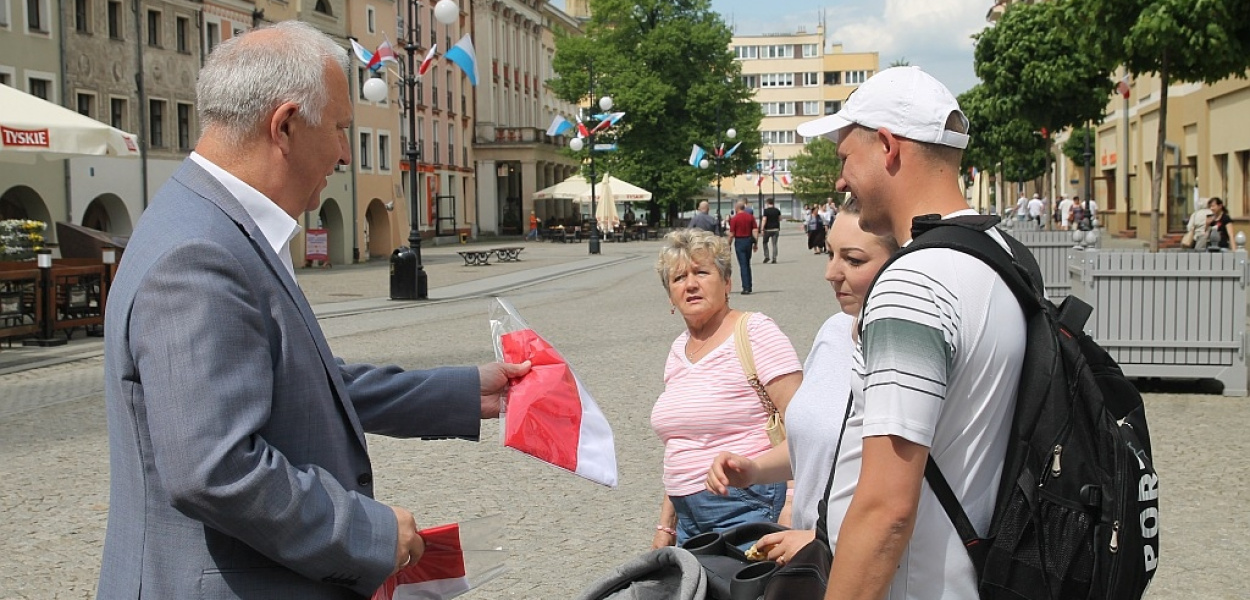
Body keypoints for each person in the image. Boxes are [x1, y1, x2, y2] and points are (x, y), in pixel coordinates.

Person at [97, 22, 530, 599]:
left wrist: (467, 392)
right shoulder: (198, 253)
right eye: (339, 129)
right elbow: (216, 470)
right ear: (285, 125)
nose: (345, 153)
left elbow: (302, 384)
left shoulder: (212, 224)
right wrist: (368, 533)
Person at [795, 65, 1027, 600]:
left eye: (845, 158)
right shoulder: (999, 253)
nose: (839, 180)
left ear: (887, 146)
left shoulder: (914, 286)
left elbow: (886, 510)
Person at [705, 199, 898, 565]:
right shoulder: (833, 331)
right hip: (812, 558)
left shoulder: (906, 351)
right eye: (830, 254)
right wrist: (755, 469)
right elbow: (816, 446)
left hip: (862, 563)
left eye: (853, 260)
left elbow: (906, 492)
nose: (831, 273)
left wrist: (820, 538)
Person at [650, 229, 803, 548]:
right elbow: (682, 440)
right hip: (688, 520)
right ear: (670, 297)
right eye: (678, 278)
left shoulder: (755, 332)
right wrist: (666, 526)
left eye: (702, 272)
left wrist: (791, 505)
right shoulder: (679, 350)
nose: (690, 284)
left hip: (746, 506)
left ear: (727, 282)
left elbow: (804, 425)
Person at [728, 201, 759, 294]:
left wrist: (728, 244)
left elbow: (731, 234)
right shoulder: (750, 217)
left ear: (736, 208)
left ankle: (745, 287)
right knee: (747, 263)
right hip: (748, 240)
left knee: (743, 264)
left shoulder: (734, 219)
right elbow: (755, 230)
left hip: (740, 241)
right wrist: (755, 243)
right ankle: (749, 285)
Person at [760, 198, 783, 264]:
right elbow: (780, 218)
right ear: (773, 203)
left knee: (765, 242)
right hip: (775, 229)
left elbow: (764, 219)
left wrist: (762, 229)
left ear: (767, 203)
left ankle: (767, 256)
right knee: (774, 244)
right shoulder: (777, 210)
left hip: (767, 229)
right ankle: (774, 258)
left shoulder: (766, 211)